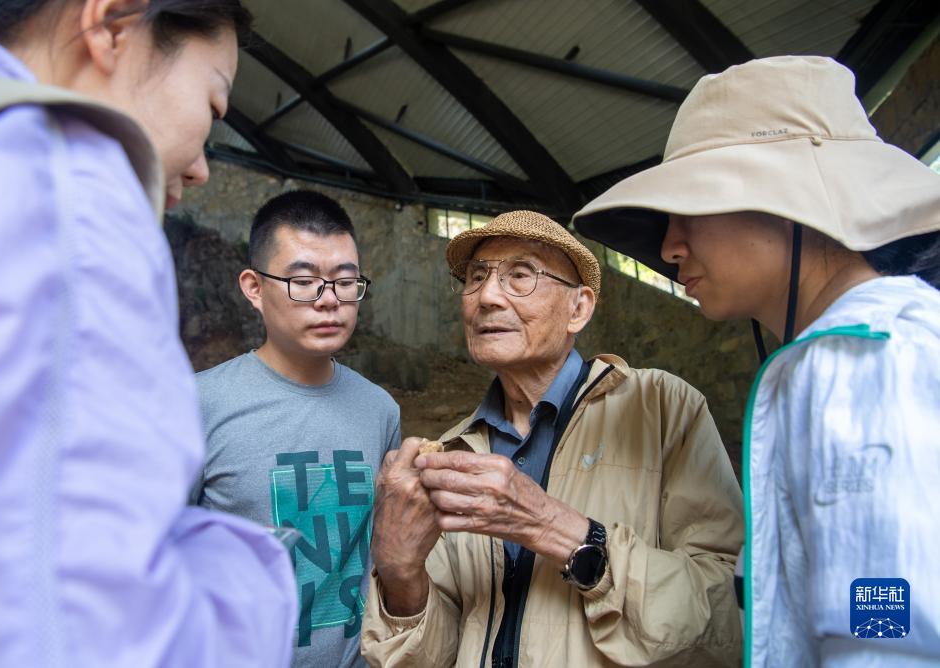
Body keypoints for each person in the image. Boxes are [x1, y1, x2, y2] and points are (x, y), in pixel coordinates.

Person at [0, 1, 297, 666]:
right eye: (213, 104)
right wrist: (256, 575)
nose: (201, 168)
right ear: (111, 25)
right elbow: (95, 636)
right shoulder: (67, 200)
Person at [573, 55, 940, 667]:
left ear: (789, 200)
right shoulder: (850, 355)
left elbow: (886, 625)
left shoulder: (862, 361)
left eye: (690, 206)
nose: (669, 245)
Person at [361, 210, 744, 667]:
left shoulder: (662, 408)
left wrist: (552, 527)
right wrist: (400, 574)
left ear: (578, 308)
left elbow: (730, 615)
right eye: (476, 277)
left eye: (520, 275)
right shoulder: (453, 453)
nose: (486, 296)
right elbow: (435, 655)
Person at [192, 190, 401, 668]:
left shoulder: (380, 411)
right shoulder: (196, 405)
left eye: (345, 282)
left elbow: (381, 554)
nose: (329, 302)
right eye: (304, 282)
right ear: (253, 287)